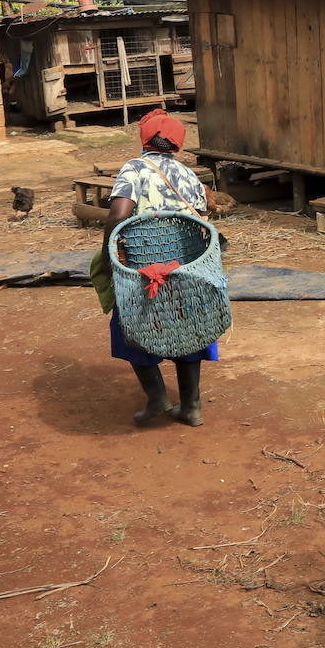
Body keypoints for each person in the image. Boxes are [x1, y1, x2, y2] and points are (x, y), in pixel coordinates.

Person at [94, 109, 215, 428]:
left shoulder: (134, 168)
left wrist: (108, 257)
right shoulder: (189, 176)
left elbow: (119, 214)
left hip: (145, 268)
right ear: (177, 145)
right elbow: (201, 216)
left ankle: (158, 396)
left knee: (132, 325)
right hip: (188, 266)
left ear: (145, 139)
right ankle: (191, 407)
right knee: (188, 329)